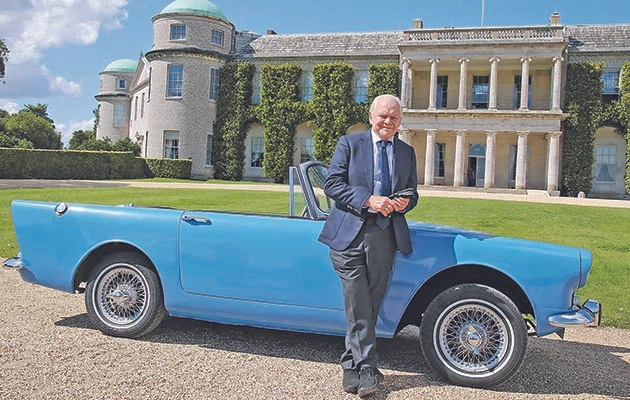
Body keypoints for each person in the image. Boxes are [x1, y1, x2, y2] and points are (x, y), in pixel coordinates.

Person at [318, 94, 419, 397]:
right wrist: (367, 199)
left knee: (370, 303)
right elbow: (332, 184)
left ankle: (350, 366)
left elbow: (413, 192)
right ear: (371, 116)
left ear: (400, 121)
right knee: (358, 300)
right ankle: (369, 370)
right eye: (383, 116)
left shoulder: (407, 151)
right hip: (348, 235)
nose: (388, 121)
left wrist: (405, 202)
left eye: (394, 117)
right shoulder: (350, 144)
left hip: (384, 235)